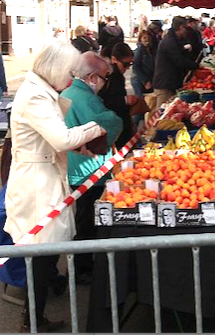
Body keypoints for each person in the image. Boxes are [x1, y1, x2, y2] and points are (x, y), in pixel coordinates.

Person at [5, 41, 107, 332]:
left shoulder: (40, 90)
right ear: (56, 69)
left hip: (44, 175)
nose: (72, 78)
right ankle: (33, 321)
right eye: (69, 72)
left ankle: (36, 314)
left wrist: (81, 145)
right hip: (37, 183)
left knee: (45, 252)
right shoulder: (36, 95)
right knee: (41, 252)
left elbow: (51, 140)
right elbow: (60, 138)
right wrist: (93, 129)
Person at [60, 51, 123, 284]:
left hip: (75, 166)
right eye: (105, 77)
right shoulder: (85, 98)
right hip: (88, 169)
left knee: (82, 218)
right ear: (93, 77)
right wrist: (115, 118)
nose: (105, 83)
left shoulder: (68, 92)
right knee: (87, 221)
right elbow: (109, 122)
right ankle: (82, 269)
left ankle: (82, 265)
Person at [151, 16, 200, 115]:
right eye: (185, 28)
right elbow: (179, 61)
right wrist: (197, 66)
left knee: (169, 112)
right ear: (181, 27)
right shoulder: (170, 41)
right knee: (163, 114)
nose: (187, 31)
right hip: (165, 83)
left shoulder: (174, 39)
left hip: (170, 82)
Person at [99, 42, 138, 149]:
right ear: (114, 59)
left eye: (130, 64)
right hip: (115, 123)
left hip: (120, 122)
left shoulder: (116, 74)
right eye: (125, 64)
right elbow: (105, 100)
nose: (127, 68)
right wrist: (125, 100)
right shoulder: (110, 75)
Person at [132, 30, 155, 126]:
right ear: (140, 39)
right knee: (141, 103)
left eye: (149, 38)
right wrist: (145, 81)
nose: (147, 40)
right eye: (144, 38)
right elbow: (136, 67)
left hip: (148, 79)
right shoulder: (139, 51)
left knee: (148, 102)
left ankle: (142, 123)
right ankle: (134, 125)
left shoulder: (151, 50)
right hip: (138, 80)